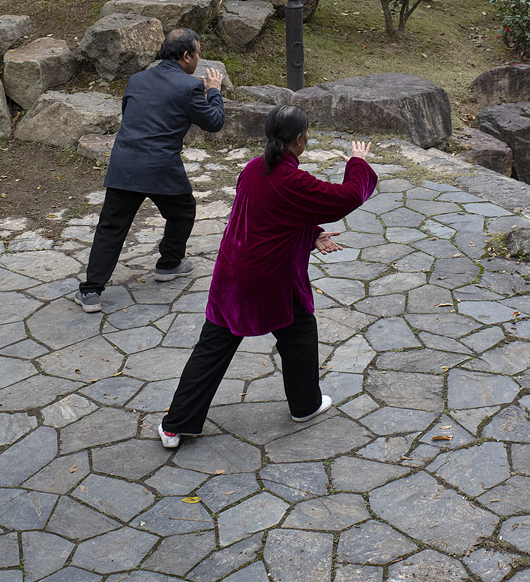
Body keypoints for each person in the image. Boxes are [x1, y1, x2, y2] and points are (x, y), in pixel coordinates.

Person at [158, 105, 377, 447]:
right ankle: (304, 404)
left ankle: (175, 425)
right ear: (300, 140)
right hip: (272, 279)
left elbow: (268, 214)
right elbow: (348, 197)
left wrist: (312, 233)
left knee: (214, 347)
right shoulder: (294, 181)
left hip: (231, 276)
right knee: (300, 333)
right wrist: (358, 163)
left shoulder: (252, 169)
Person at [75, 28, 225, 313]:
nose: (199, 59)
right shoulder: (189, 87)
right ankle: (169, 263)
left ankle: (91, 290)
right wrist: (214, 91)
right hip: (160, 166)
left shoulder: (137, 79)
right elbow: (214, 122)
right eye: (198, 53)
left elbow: (130, 114)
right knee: (182, 212)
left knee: (111, 228)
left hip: (125, 162)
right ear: (186, 56)